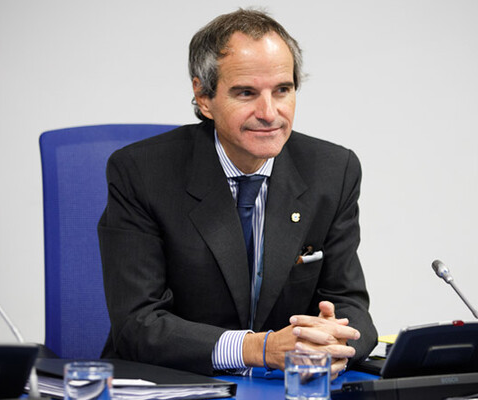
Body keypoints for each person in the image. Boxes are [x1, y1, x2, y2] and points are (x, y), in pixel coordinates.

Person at [98, 8, 377, 378]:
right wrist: (257, 349)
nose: (269, 113)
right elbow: (138, 324)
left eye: (283, 90)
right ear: (203, 96)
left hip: (281, 385)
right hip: (174, 382)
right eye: (246, 93)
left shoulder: (332, 171)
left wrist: (333, 341)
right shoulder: (141, 172)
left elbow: (350, 305)